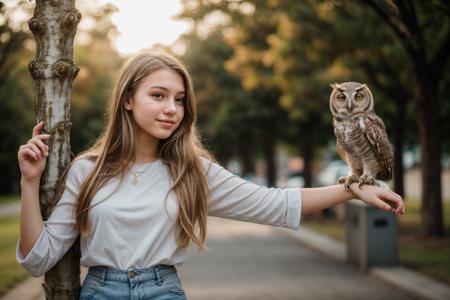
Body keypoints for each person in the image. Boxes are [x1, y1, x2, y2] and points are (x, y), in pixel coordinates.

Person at [17, 51, 404, 300]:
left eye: (180, 100)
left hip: (162, 291)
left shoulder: (192, 171)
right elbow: (39, 258)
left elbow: (274, 204)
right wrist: (30, 182)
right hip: (100, 292)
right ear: (128, 100)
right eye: (159, 95)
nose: (172, 108)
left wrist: (353, 191)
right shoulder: (87, 170)